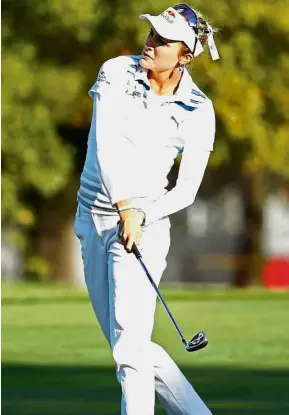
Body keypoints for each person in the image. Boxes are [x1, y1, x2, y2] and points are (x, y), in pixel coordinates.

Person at [74, 4, 219, 414]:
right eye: (151, 34)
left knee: (128, 354)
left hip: (145, 230)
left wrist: (141, 214)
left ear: (185, 56)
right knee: (130, 344)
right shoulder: (116, 71)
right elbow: (104, 144)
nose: (150, 43)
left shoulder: (198, 109)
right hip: (95, 218)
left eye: (162, 40)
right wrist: (124, 206)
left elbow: (187, 189)